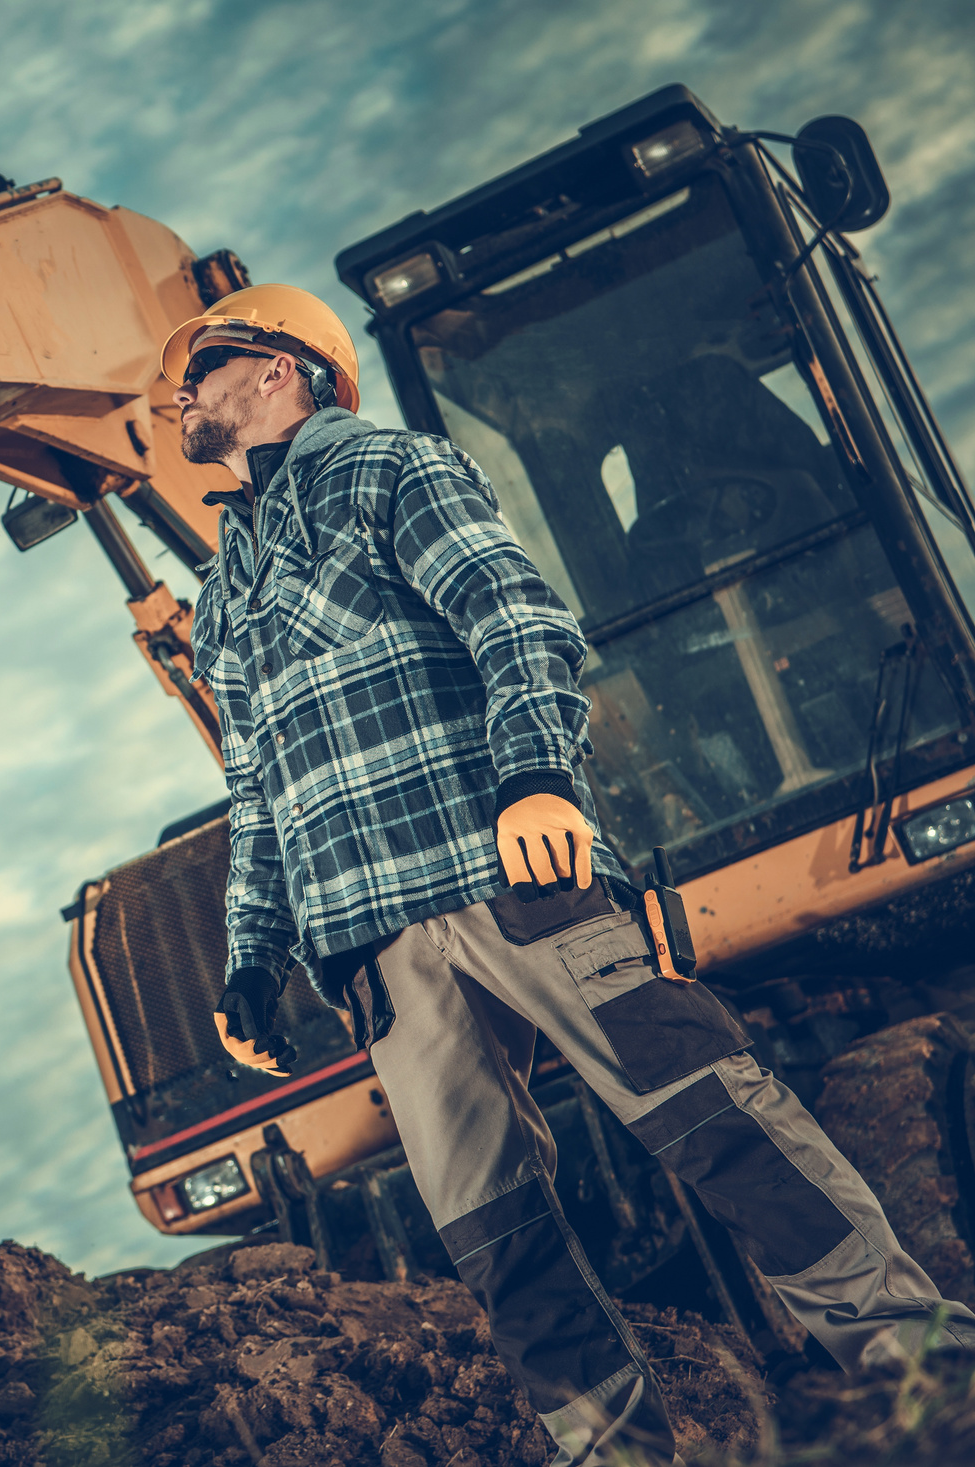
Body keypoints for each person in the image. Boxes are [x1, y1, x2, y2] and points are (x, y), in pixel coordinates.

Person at [169, 283, 975, 1467]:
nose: (180, 390)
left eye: (205, 365)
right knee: (498, 1240)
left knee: (711, 1115)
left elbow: (517, 619)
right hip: (374, 946)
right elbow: (259, 790)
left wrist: (537, 778)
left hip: (500, 872)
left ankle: (924, 1375)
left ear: (282, 370)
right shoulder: (221, 592)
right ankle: (618, 1454)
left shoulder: (389, 471)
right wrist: (252, 954)